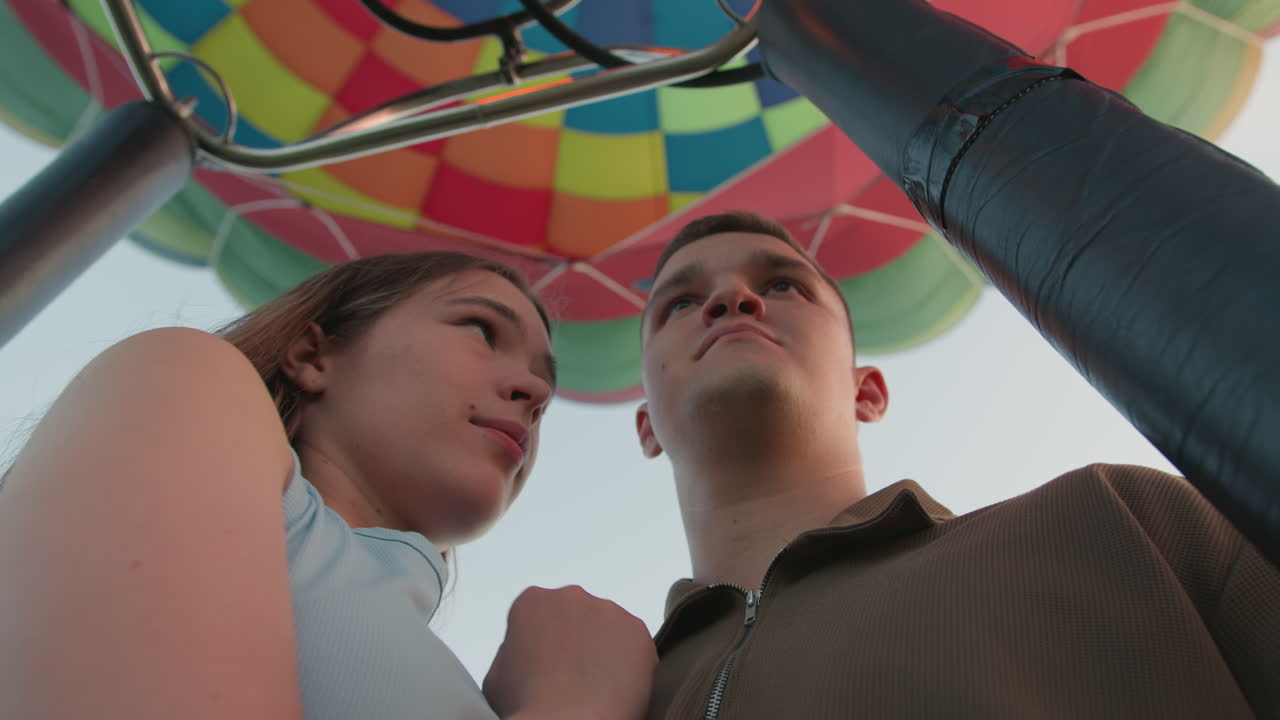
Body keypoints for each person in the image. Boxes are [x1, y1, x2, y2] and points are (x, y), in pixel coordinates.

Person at [633, 210, 1280, 719]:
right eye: (680, 303)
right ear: (646, 426)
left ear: (867, 392)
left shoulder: (1127, 524)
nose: (731, 298)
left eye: (781, 285)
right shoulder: (610, 693)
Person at [0, 252, 656, 720]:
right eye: (482, 330)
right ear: (314, 356)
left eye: (546, 379)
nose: (536, 391)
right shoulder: (184, 378)